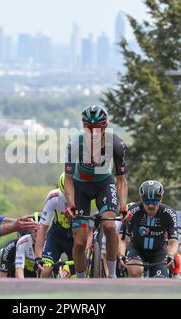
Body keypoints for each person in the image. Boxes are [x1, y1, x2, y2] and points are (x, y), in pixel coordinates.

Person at [64, 105, 129, 279]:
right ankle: (80, 278)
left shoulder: (115, 144)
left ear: (105, 126)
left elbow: (121, 180)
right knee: (79, 241)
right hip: (80, 186)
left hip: (103, 184)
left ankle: (112, 275)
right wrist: (70, 203)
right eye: (88, 128)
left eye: (97, 128)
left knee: (110, 226)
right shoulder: (74, 143)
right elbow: (68, 179)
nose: (92, 132)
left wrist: (123, 206)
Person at [122, 180, 179, 278]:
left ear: (161, 198)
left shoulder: (169, 213)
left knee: (160, 282)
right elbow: (122, 238)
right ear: (141, 198)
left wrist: (171, 255)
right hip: (137, 250)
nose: (151, 206)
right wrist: (121, 255)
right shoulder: (133, 211)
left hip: (159, 252)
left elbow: (173, 242)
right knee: (135, 270)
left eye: (154, 201)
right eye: (147, 201)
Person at [33, 173, 75, 278]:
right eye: (65, 194)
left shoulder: (84, 198)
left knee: (67, 273)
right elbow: (42, 228)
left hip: (75, 240)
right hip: (56, 236)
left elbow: (88, 230)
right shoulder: (54, 197)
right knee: (45, 271)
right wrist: (38, 257)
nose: (68, 197)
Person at [15, 213, 41, 279]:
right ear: (30, 230)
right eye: (35, 230)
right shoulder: (23, 241)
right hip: (26, 271)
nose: (37, 233)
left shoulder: (49, 241)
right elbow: (19, 269)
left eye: (39, 230)